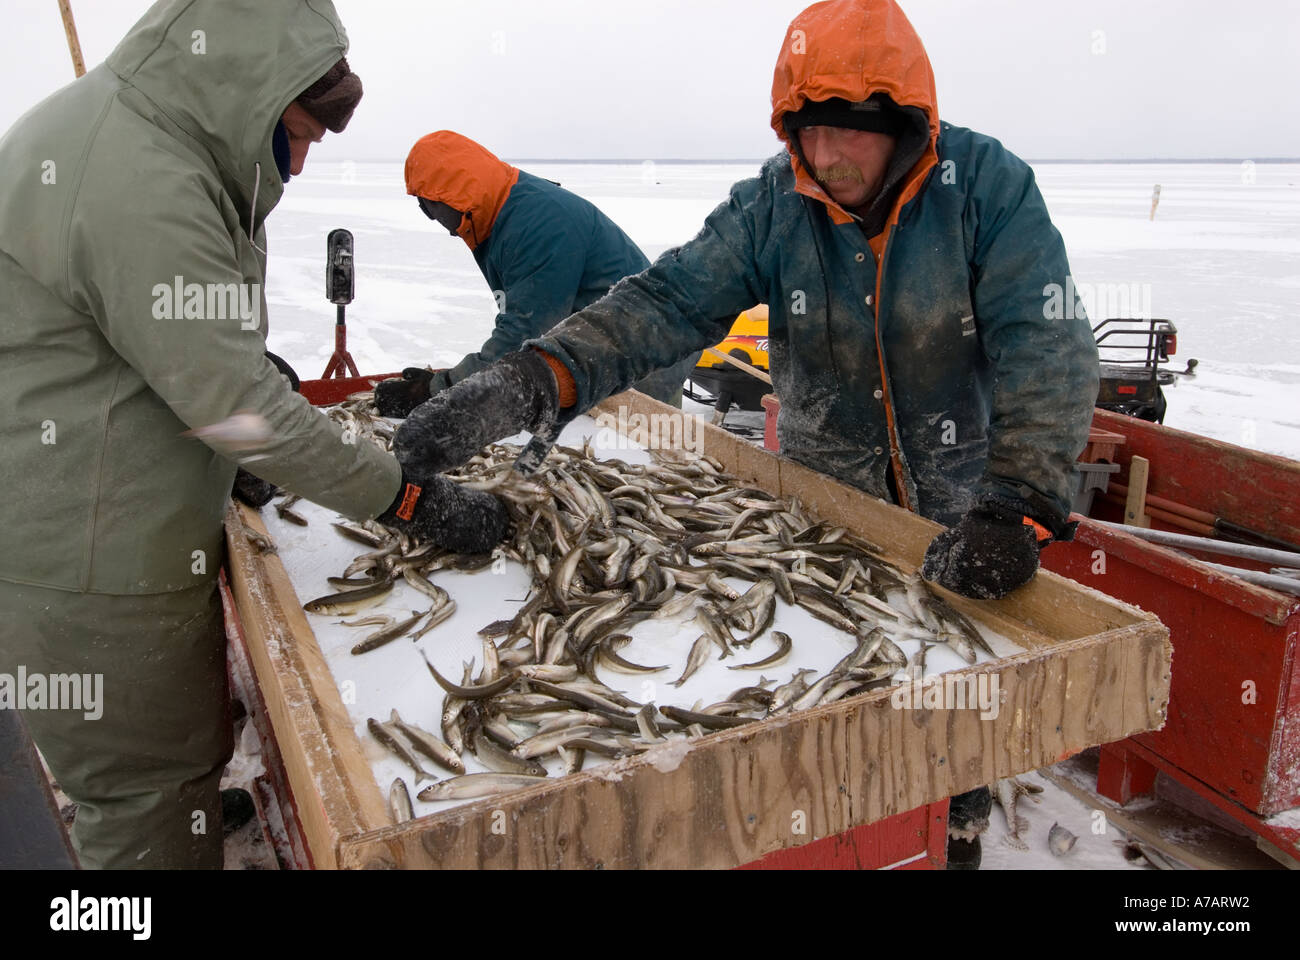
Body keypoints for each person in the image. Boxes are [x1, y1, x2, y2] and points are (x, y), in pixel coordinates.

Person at [391, 0, 1100, 869]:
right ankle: (842, 819)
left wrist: (1021, 499)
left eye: (850, 134)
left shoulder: (985, 187)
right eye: (809, 135)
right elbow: (668, 301)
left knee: (958, 679)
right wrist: (541, 377)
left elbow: (1047, 340)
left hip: (963, 489)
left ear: (906, 127)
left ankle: (956, 820)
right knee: (843, 676)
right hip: (823, 489)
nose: (827, 158)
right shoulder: (776, 201)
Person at [0, 0, 505, 869]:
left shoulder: (141, 131)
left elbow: (179, 356)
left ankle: (179, 793)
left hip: (97, 525)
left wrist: (234, 404)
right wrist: (408, 496)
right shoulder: (141, 175)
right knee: (137, 799)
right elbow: (238, 409)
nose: (300, 165)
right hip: (89, 563)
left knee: (165, 762)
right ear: (244, 92)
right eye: (298, 135)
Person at [374, 131, 699, 417]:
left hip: (645, 354)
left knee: (639, 457)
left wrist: (435, 391)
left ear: (455, 196)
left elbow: (522, 337)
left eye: (434, 210)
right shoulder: (499, 213)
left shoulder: (536, 224)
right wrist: (449, 381)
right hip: (600, 351)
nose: (442, 227)